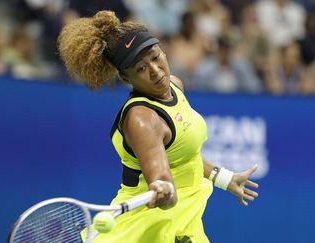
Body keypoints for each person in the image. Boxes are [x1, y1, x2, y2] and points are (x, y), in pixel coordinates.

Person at [57, 10, 259, 243]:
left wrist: (223, 177)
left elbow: (182, 154)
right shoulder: (142, 120)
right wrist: (165, 191)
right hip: (149, 226)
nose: (155, 71)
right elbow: (162, 177)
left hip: (183, 220)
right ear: (127, 78)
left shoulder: (175, 86)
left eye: (155, 57)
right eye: (141, 69)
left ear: (162, 51)